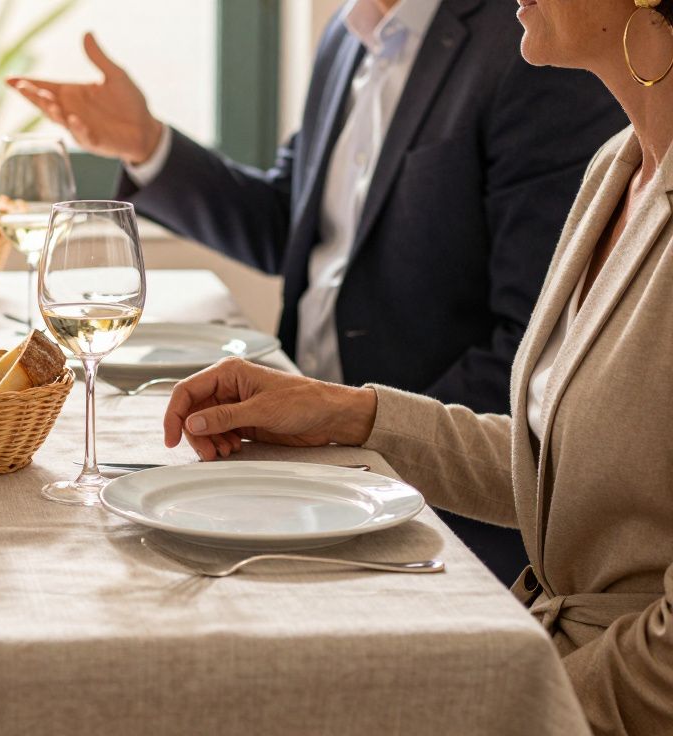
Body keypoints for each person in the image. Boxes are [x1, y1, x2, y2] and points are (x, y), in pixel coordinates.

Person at [161, 0, 673, 729]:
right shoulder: (615, 170)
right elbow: (563, 470)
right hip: (535, 651)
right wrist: (345, 413)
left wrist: (501, 702)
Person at [10, 0, 628, 585]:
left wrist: (359, 450)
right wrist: (147, 145)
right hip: (306, 447)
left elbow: (532, 349)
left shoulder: (531, 43)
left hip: (423, 503)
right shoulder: (347, 33)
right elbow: (290, 227)